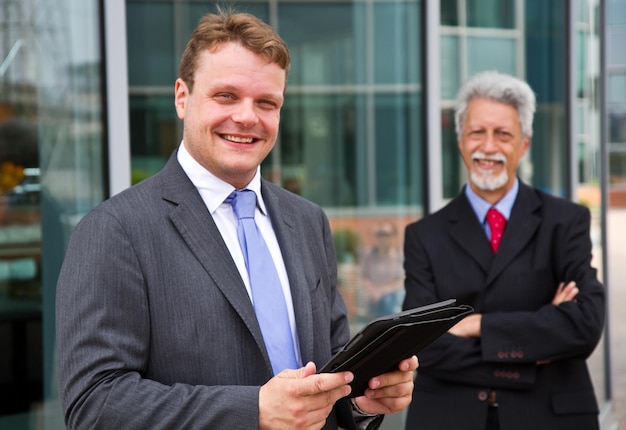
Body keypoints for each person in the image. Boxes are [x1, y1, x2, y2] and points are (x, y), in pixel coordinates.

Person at [55, 9, 417, 430]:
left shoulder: (308, 221)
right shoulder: (115, 231)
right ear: (181, 97)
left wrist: (363, 398)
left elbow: (331, 368)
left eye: (266, 102)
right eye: (226, 96)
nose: (247, 117)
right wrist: (255, 411)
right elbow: (94, 404)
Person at [402, 71, 605, 430]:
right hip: (449, 419)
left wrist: (472, 325)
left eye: (503, 134)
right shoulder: (423, 236)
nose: (489, 147)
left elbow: (584, 325)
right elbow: (424, 346)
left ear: (524, 144)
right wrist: (537, 343)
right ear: (461, 140)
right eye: (477, 132)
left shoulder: (566, 221)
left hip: (550, 418)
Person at [360, 221, 404, 318]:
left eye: (386, 234)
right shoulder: (368, 254)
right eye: (380, 234)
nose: (382, 238)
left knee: (389, 299)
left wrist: (383, 291)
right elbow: (364, 277)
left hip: (392, 299)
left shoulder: (398, 255)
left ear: (393, 236)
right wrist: (373, 291)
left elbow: (402, 280)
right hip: (372, 299)